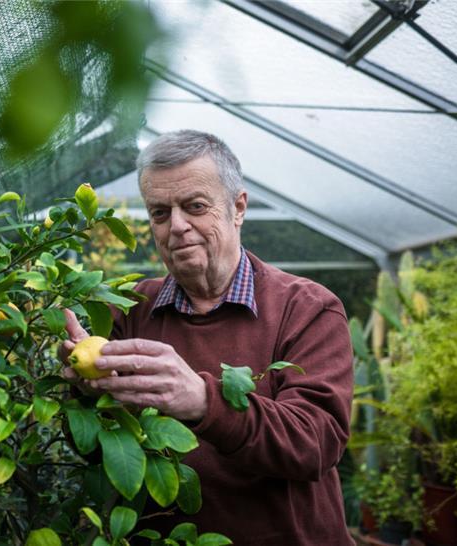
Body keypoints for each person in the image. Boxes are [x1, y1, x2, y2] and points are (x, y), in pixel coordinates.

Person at [61, 130, 355, 545]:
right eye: (159, 213)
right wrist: (83, 396)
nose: (177, 226)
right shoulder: (127, 310)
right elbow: (99, 451)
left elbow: (315, 444)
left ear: (238, 208)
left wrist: (202, 401)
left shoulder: (307, 309)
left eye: (195, 206)